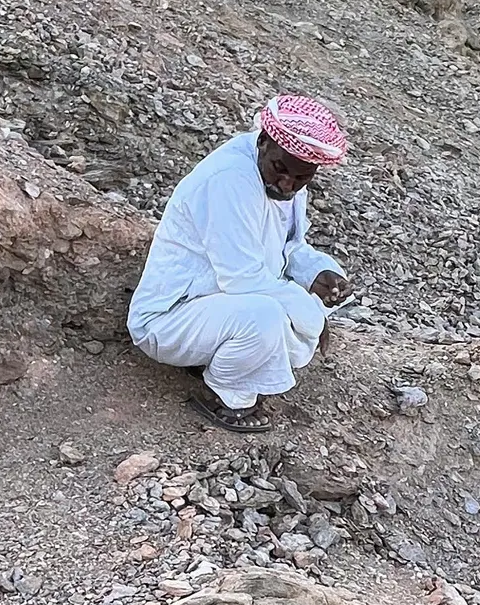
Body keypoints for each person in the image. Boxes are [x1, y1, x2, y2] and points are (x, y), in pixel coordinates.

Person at [127, 94, 351, 430]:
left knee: (313, 296)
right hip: (169, 319)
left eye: (301, 178)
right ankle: (225, 395)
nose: (287, 184)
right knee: (265, 318)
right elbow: (242, 279)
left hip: (216, 309)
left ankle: (219, 359)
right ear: (263, 142)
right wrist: (309, 313)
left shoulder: (286, 179)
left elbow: (288, 246)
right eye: (281, 170)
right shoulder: (228, 180)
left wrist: (314, 273)